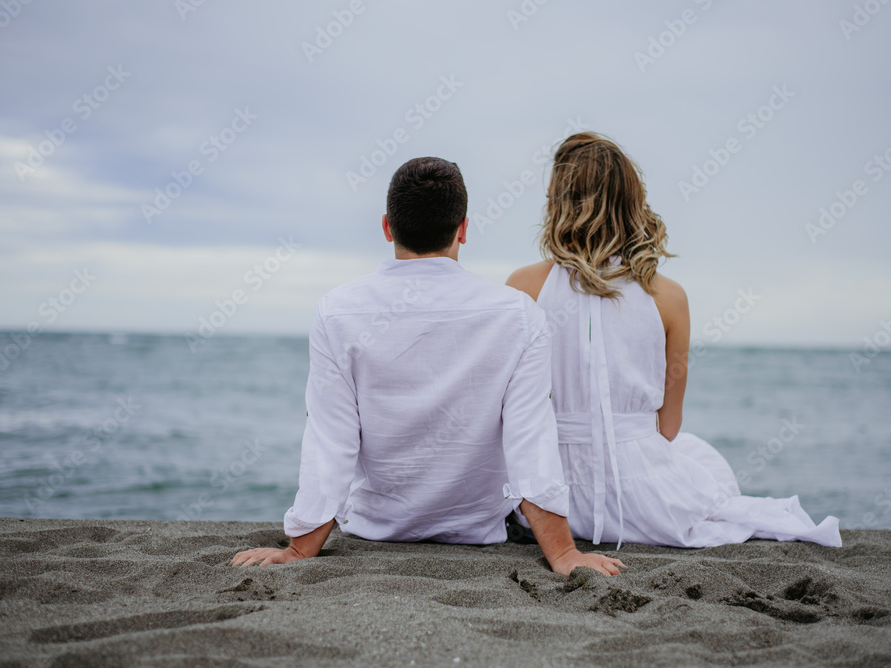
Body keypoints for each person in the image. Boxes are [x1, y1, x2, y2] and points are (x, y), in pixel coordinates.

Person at [232, 157, 624, 575]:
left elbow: (331, 440)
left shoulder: (337, 312)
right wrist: (563, 554)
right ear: (463, 229)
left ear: (387, 227)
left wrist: (299, 549)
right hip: (477, 531)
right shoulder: (519, 316)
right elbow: (530, 440)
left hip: (376, 530)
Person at [506, 133, 842, 549]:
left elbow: (514, 417)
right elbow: (668, 427)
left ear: (557, 203)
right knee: (702, 461)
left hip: (552, 502)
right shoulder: (668, 297)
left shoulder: (524, 287)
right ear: (633, 203)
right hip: (644, 504)